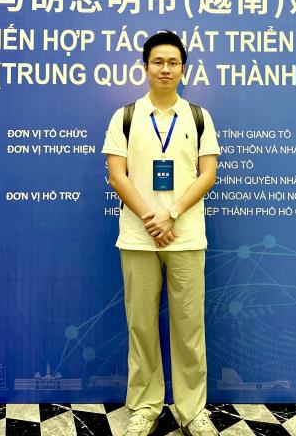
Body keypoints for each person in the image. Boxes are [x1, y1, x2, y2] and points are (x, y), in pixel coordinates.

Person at [102, 31, 221, 436]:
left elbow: (208, 174)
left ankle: (191, 410)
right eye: (158, 62)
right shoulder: (125, 116)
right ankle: (144, 406)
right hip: (138, 237)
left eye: (173, 62)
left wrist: (170, 214)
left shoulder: (199, 117)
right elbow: (117, 175)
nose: (165, 69)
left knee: (189, 326)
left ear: (183, 69)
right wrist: (150, 218)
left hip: (186, 236)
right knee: (141, 325)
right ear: (145, 67)